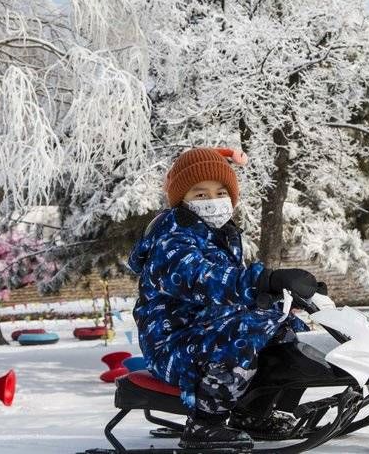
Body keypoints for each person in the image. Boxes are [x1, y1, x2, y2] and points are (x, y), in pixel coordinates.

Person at [128, 147, 320, 450]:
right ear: (182, 199)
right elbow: (201, 279)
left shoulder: (221, 236)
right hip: (173, 345)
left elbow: (238, 299)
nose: (213, 201)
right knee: (245, 330)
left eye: (220, 192)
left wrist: (282, 296)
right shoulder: (171, 237)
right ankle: (205, 424)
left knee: (286, 327)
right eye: (200, 194)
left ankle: (253, 414)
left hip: (205, 336)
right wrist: (262, 280)